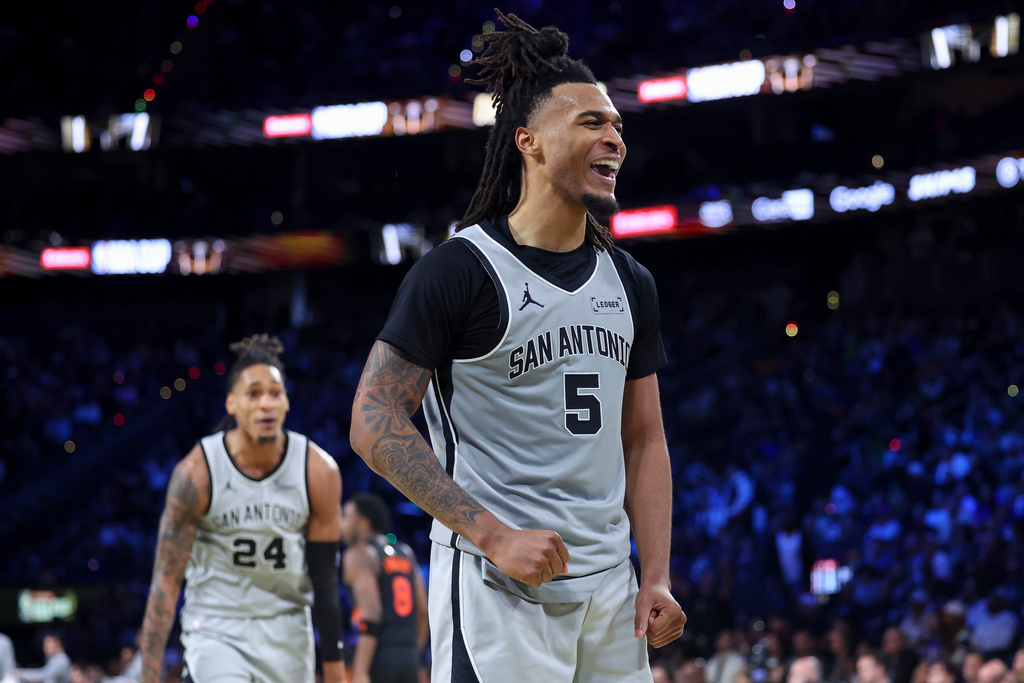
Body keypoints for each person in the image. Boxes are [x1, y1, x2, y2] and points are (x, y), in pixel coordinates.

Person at [349, 9, 685, 682]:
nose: (614, 138)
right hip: (498, 588)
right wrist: (492, 534)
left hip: (611, 596)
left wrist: (656, 574)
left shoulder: (630, 281)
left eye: (618, 125)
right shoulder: (460, 270)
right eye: (591, 122)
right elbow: (372, 419)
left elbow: (645, 437)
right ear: (528, 141)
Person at [137, 334, 345, 683]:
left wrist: (335, 671)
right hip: (217, 628)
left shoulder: (318, 471)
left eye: (275, 393)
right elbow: (166, 581)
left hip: (288, 632)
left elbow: (325, 580)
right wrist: (148, 675)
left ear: (287, 402)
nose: (266, 404)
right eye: (254, 394)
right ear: (231, 403)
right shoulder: (197, 473)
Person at [340, 491, 429, 683]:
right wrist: (414, 654)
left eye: (346, 517)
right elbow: (423, 610)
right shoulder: (406, 552)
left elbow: (371, 616)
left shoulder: (359, 554)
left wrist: (360, 672)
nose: (341, 525)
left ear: (364, 523)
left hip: (376, 657)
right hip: (409, 657)